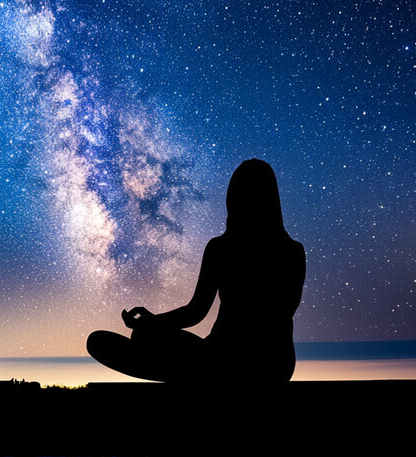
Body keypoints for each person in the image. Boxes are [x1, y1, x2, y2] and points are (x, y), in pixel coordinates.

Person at [86, 158, 305, 382]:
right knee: (144, 334)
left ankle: (190, 375)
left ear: (234, 199)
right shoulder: (293, 251)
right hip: (276, 365)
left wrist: (152, 323)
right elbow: (281, 314)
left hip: (221, 359)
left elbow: (196, 312)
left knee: (121, 338)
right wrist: (153, 322)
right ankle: (190, 374)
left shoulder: (221, 248)